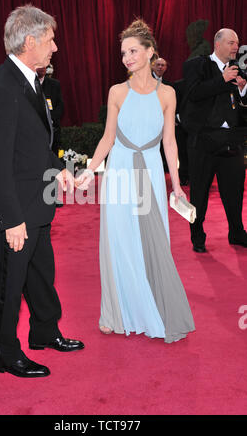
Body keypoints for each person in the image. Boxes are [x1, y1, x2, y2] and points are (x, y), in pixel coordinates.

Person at [0, 4, 84, 379]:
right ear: (30, 41)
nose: (55, 47)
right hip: (17, 212)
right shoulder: (3, 86)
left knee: (41, 273)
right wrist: (10, 219)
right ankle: (4, 351)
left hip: (37, 204)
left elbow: (33, 146)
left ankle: (44, 330)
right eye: (51, 39)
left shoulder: (29, 80)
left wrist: (58, 171)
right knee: (9, 281)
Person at [76, 19, 195, 343]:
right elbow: (108, 137)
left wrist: (176, 186)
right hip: (120, 171)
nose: (126, 57)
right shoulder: (117, 92)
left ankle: (152, 311)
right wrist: (90, 168)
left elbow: (170, 142)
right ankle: (115, 313)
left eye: (132, 51)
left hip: (150, 174)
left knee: (149, 241)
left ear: (149, 52)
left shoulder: (167, 94)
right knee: (119, 241)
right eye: (123, 53)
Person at [182, 28, 247, 253]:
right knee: (199, 193)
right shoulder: (196, 65)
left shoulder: (239, 70)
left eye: (237, 43)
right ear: (217, 44)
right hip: (203, 141)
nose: (236, 47)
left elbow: (243, 110)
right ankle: (197, 235)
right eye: (231, 43)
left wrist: (243, 90)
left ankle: (237, 232)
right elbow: (194, 93)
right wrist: (222, 80)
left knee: (235, 191)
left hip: (232, 140)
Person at [37, 64, 64, 156]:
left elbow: (60, 106)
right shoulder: (29, 83)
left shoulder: (54, 84)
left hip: (53, 130)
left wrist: (50, 120)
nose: (42, 69)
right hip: (36, 130)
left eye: (44, 67)